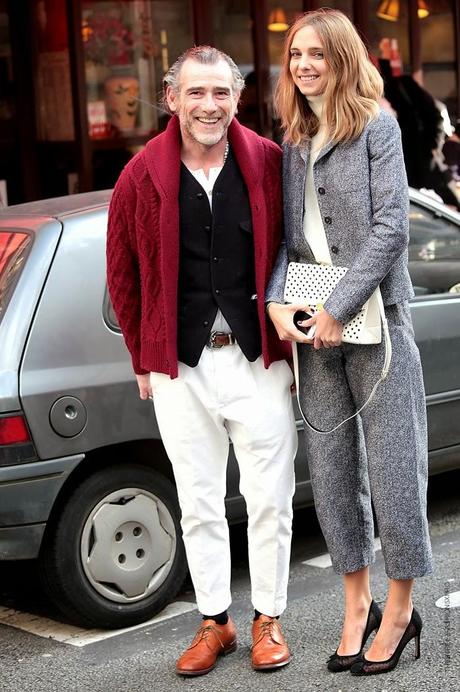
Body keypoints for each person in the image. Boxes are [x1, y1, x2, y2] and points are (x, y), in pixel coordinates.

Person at [106, 46, 297, 677]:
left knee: (270, 496)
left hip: (257, 360)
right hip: (180, 367)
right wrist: (142, 354)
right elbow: (124, 274)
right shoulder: (140, 175)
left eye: (220, 93)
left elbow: (296, 250)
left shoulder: (269, 163)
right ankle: (215, 621)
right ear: (171, 98)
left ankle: (268, 616)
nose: (208, 106)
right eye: (195, 93)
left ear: (237, 99)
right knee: (198, 500)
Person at [266, 9, 433, 678]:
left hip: (377, 324)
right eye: (294, 55)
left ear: (341, 58)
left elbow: (393, 227)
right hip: (314, 333)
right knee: (333, 475)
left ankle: (399, 609)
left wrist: (339, 306)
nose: (304, 64)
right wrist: (280, 299)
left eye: (317, 53)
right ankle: (356, 602)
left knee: (395, 472)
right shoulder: (294, 143)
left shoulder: (378, 127)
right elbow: (288, 244)